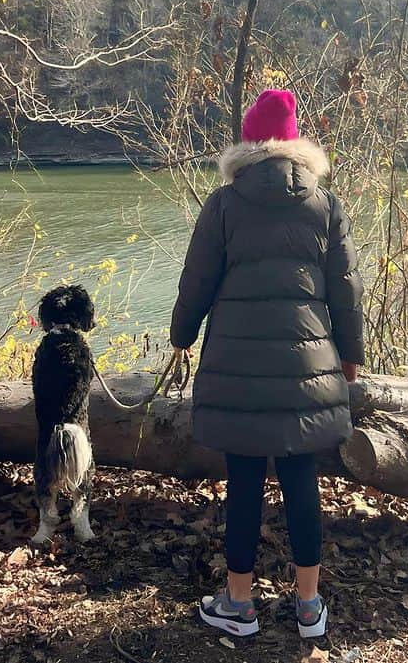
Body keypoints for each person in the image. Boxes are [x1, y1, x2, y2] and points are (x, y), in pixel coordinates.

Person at [169, 89, 364, 641]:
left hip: (238, 367)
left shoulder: (224, 203)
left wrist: (181, 336)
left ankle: (240, 604)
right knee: (303, 480)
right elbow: (346, 291)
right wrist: (350, 357)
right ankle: (308, 606)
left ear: (250, 142)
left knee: (245, 483)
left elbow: (197, 281)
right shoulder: (325, 205)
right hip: (308, 368)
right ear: (295, 143)